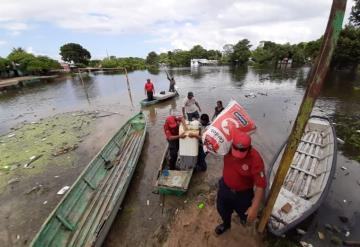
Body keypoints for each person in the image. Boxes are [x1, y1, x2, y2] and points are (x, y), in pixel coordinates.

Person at [215, 131, 266, 235]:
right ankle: (226, 224)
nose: (238, 153)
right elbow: (212, 142)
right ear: (232, 145)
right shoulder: (226, 148)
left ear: (249, 148)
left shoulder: (255, 158)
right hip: (225, 187)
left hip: (243, 194)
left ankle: (243, 219)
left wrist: (254, 207)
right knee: (222, 209)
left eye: (242, 150)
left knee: (246, 214)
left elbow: (260, 185)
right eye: (236, 149)